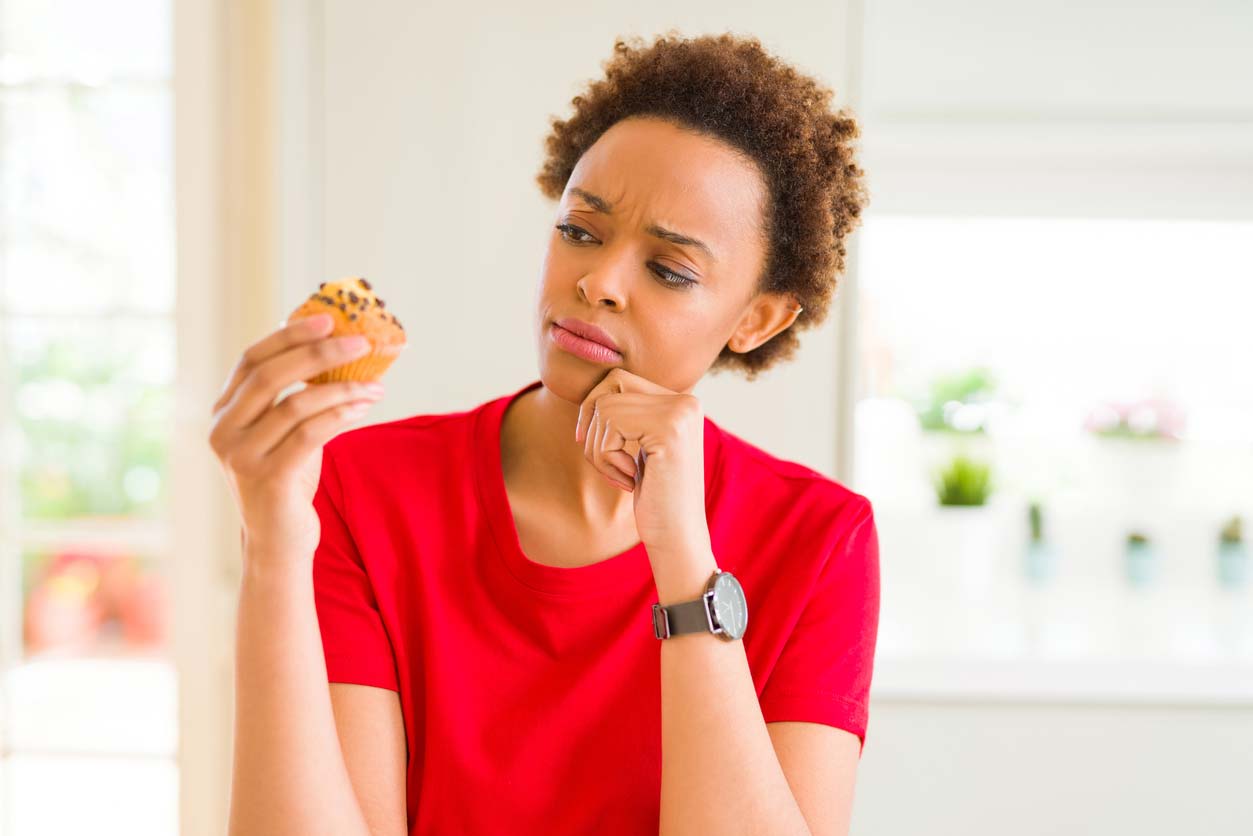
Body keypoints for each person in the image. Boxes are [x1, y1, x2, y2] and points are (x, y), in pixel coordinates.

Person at [210, 30, 878, 836]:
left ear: (756, 319)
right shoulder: (358, 488)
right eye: (580, 232)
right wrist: (275, 546)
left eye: (668, 270)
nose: (595, 281)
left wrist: (681, 558)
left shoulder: (819, 538)